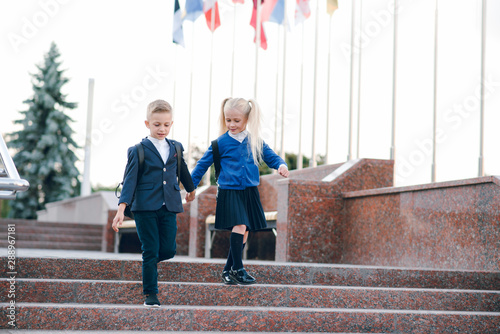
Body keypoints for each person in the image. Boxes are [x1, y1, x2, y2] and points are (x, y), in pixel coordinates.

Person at [191, 97, 289, 285]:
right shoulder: (219, 143)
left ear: (247, 119)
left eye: (237, 120)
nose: (232, 124)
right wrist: (191, 187)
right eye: (228, 120)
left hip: (249, 192)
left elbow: (272, 158)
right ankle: (239, 268)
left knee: (244, 231)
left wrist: (282, 165)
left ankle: (228, 271)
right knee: (240, 225)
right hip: (230, 191)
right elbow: (202, 165)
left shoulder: (255, 142)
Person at [112, 99, 196, 307]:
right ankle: (151, 294)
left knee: (167, 250)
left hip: (169, 205)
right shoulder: (138, 150)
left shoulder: (176, 147)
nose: (162, 129)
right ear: (147, 123)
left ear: (171, 124)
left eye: (166, 125)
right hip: (144, 207)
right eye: (157, 124)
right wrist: (121, 208)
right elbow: (130, 180)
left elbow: (182, 169)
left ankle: (148, 267)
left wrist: (192, 189)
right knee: (150, 250)